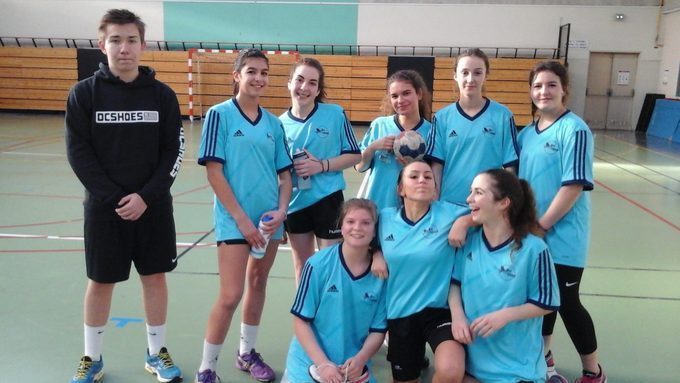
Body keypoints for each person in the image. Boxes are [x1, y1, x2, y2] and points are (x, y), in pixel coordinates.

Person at [65, 9, 184, 383]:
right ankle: (92, 358)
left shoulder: (163, 96)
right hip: (104, 211)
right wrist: (114, 198)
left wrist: (147, 197)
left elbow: (173, 152)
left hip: (154, 208)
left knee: (154, 277)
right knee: (100, 281)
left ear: (143, 45)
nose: (124, 48)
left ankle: (156, 352)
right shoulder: (84, 94)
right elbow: (78, 153)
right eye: (115, 40)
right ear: (103, 45)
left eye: (131, 40)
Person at [195, 48, 293, 383]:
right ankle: (207, 368)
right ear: (237, 76)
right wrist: (242, 221)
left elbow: (285, 176)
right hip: (235, 220)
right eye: (251, 71)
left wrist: (281, 211)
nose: (259, 78)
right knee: (230, 294)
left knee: (257, 283)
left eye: (264, 72)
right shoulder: (219, 115)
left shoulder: (274, 124)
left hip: (268, 222)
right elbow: (214, 173)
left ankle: (246, 353)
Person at [517, 61, 606, 383]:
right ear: (531, 91)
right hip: (531, 233)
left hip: (564, 235)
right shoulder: (526, 134)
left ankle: (593, 371)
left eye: (551, 85)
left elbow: (573, 186)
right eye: (538, 86)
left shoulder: (575, 129)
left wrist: (542, 225)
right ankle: (545, 358)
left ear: (564, 89)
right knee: (540, 301)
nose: (544, 91)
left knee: (567, 302)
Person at [449, 169, 560, 383]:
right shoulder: (469, 241)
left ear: (503, 203)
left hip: (517, 371)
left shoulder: (534, 249)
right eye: (471, 192)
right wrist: (457, 315)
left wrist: (504, 316)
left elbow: (547, 302)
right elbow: (455, 284)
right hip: (473, 365)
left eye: (478, 192)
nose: (468, 199)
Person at [378, 160, 468, 383]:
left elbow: (489, 211)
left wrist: (465, 221)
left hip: (439, 310)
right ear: (400, 189)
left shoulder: (449, 214)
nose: (422, 181)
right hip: (401, 313)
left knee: (450, 371)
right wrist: (376, 253)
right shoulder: (384, 218)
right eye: (414, 176)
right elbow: (357, 236)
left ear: (435, 189)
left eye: (428, 177)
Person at [283, 198, 387, 383]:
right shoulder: (317, 265)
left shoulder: (380, 274)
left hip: (351, 366)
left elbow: (378, 330)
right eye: (350, 221)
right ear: (341, 226)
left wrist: (361, 359)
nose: (357, 227)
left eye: (366, 223)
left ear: (374, 230)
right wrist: (323, 364)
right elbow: (301, 322)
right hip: (311, 361)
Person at [279, 57, 361, 284]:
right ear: (289, 83)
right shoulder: (278, 125)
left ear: (318, 90)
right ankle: (303, 317)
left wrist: (321, 166)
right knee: (302, 267)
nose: (304, 87)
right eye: (299, 80)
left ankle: (328, 317)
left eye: (312, 83)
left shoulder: (335, 114)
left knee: (330, 264)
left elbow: (356, 155)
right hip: (295, 204)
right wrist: (279, 212)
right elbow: (277, 174)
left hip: (328, 200)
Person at [425, 48, 519, 206]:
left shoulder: (503, 116)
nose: (470, 79)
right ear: (455, 75)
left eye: (477, 72)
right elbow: (437, 167)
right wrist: (435, 203)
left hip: (488, 207)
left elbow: (510, 168)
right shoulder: (441, 118)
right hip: (449, 206)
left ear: (486, 75)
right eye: (465, 72)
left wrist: (508, 205)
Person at [356, 69, 433, 212]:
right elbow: (360, 166)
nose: (400, 100)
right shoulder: (380, 125)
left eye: (406, 93)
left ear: (419, 94)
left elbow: (435, 175)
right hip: (378, 206)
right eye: (394, 96)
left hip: (413, 210)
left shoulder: (432, 131)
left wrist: (414, 166)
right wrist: (373, 147)